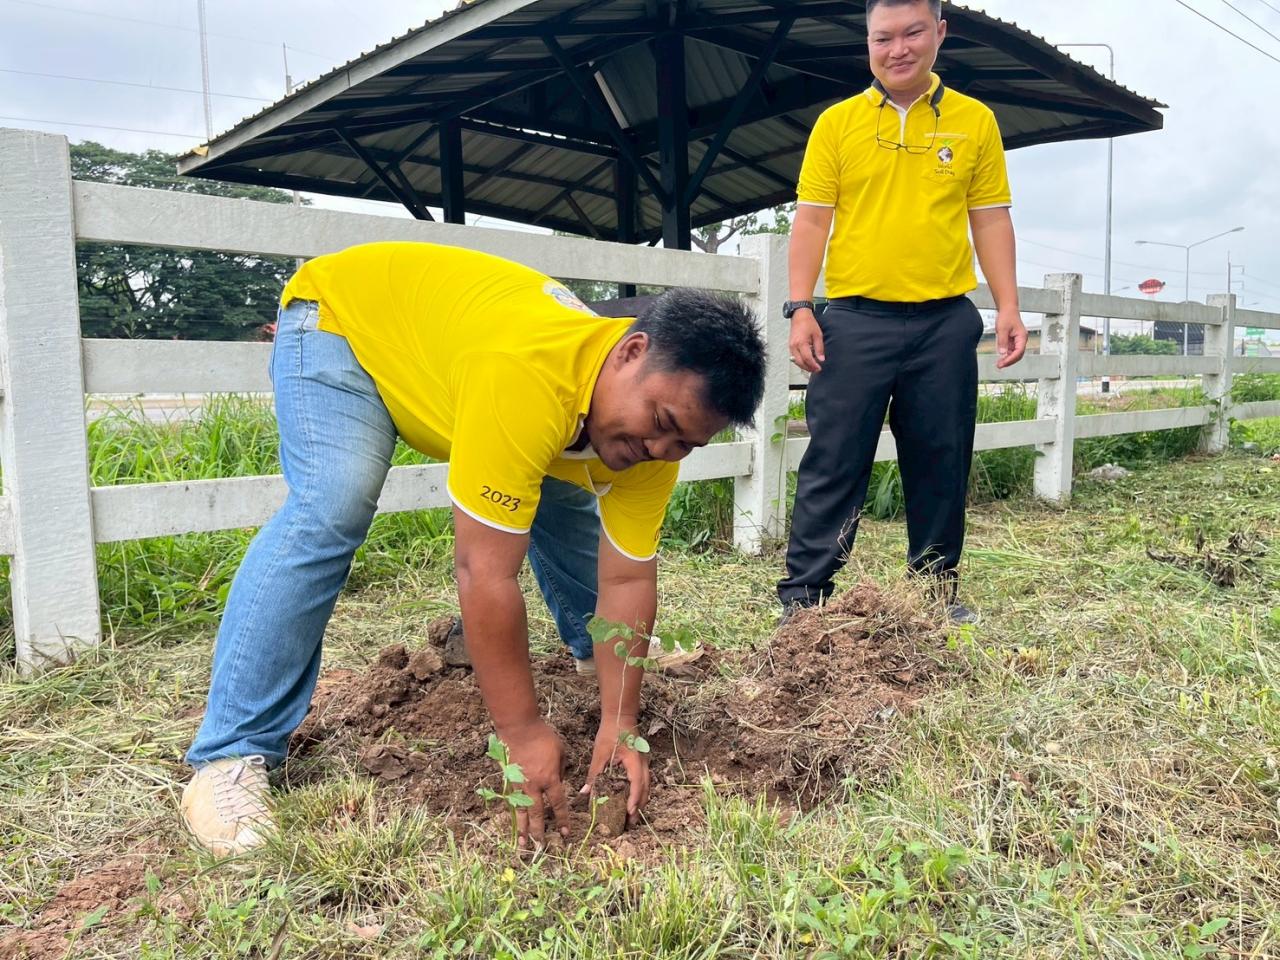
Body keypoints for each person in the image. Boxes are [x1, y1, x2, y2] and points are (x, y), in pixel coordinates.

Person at [180, 241, 766, 855]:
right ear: (632, 351)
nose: (660, 450)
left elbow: (627, 581)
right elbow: (484, 571)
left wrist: (620, 721)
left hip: (469, 360)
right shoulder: (527, 373)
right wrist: (521, 732)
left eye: (685, 445)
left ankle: (590, 657)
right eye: (662, 423)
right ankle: (230, 756)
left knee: (565, 496)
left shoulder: (653, 435)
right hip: (343, 323)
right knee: (333, 503)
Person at [778, 0, 1028, 623]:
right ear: (867, 42)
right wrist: (801, 306)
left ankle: (937, 592)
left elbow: (990, 217)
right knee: (833, 459)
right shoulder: (837, 124)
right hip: (854, 321)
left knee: (942, 457)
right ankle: (805, 599)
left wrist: (1009, 306)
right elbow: (811, 219)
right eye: (882, 37)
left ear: (940, 33)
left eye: (913, 32)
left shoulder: (975, 121)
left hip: (944, 321)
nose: (898, 49)